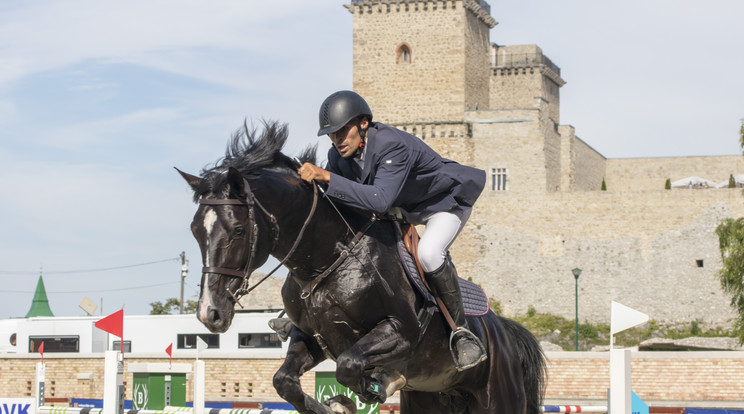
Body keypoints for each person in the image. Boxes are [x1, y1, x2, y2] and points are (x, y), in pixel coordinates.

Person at [298, 90, 487, 370]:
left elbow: (380, 199)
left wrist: (326, 176)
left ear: (363, 123)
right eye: (331, 134)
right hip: (404, 209)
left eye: (342, 131)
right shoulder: (338, 157)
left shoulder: (391, 145)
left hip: (443, 203)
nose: (337, 139)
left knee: (429, 253)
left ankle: (461, 333)